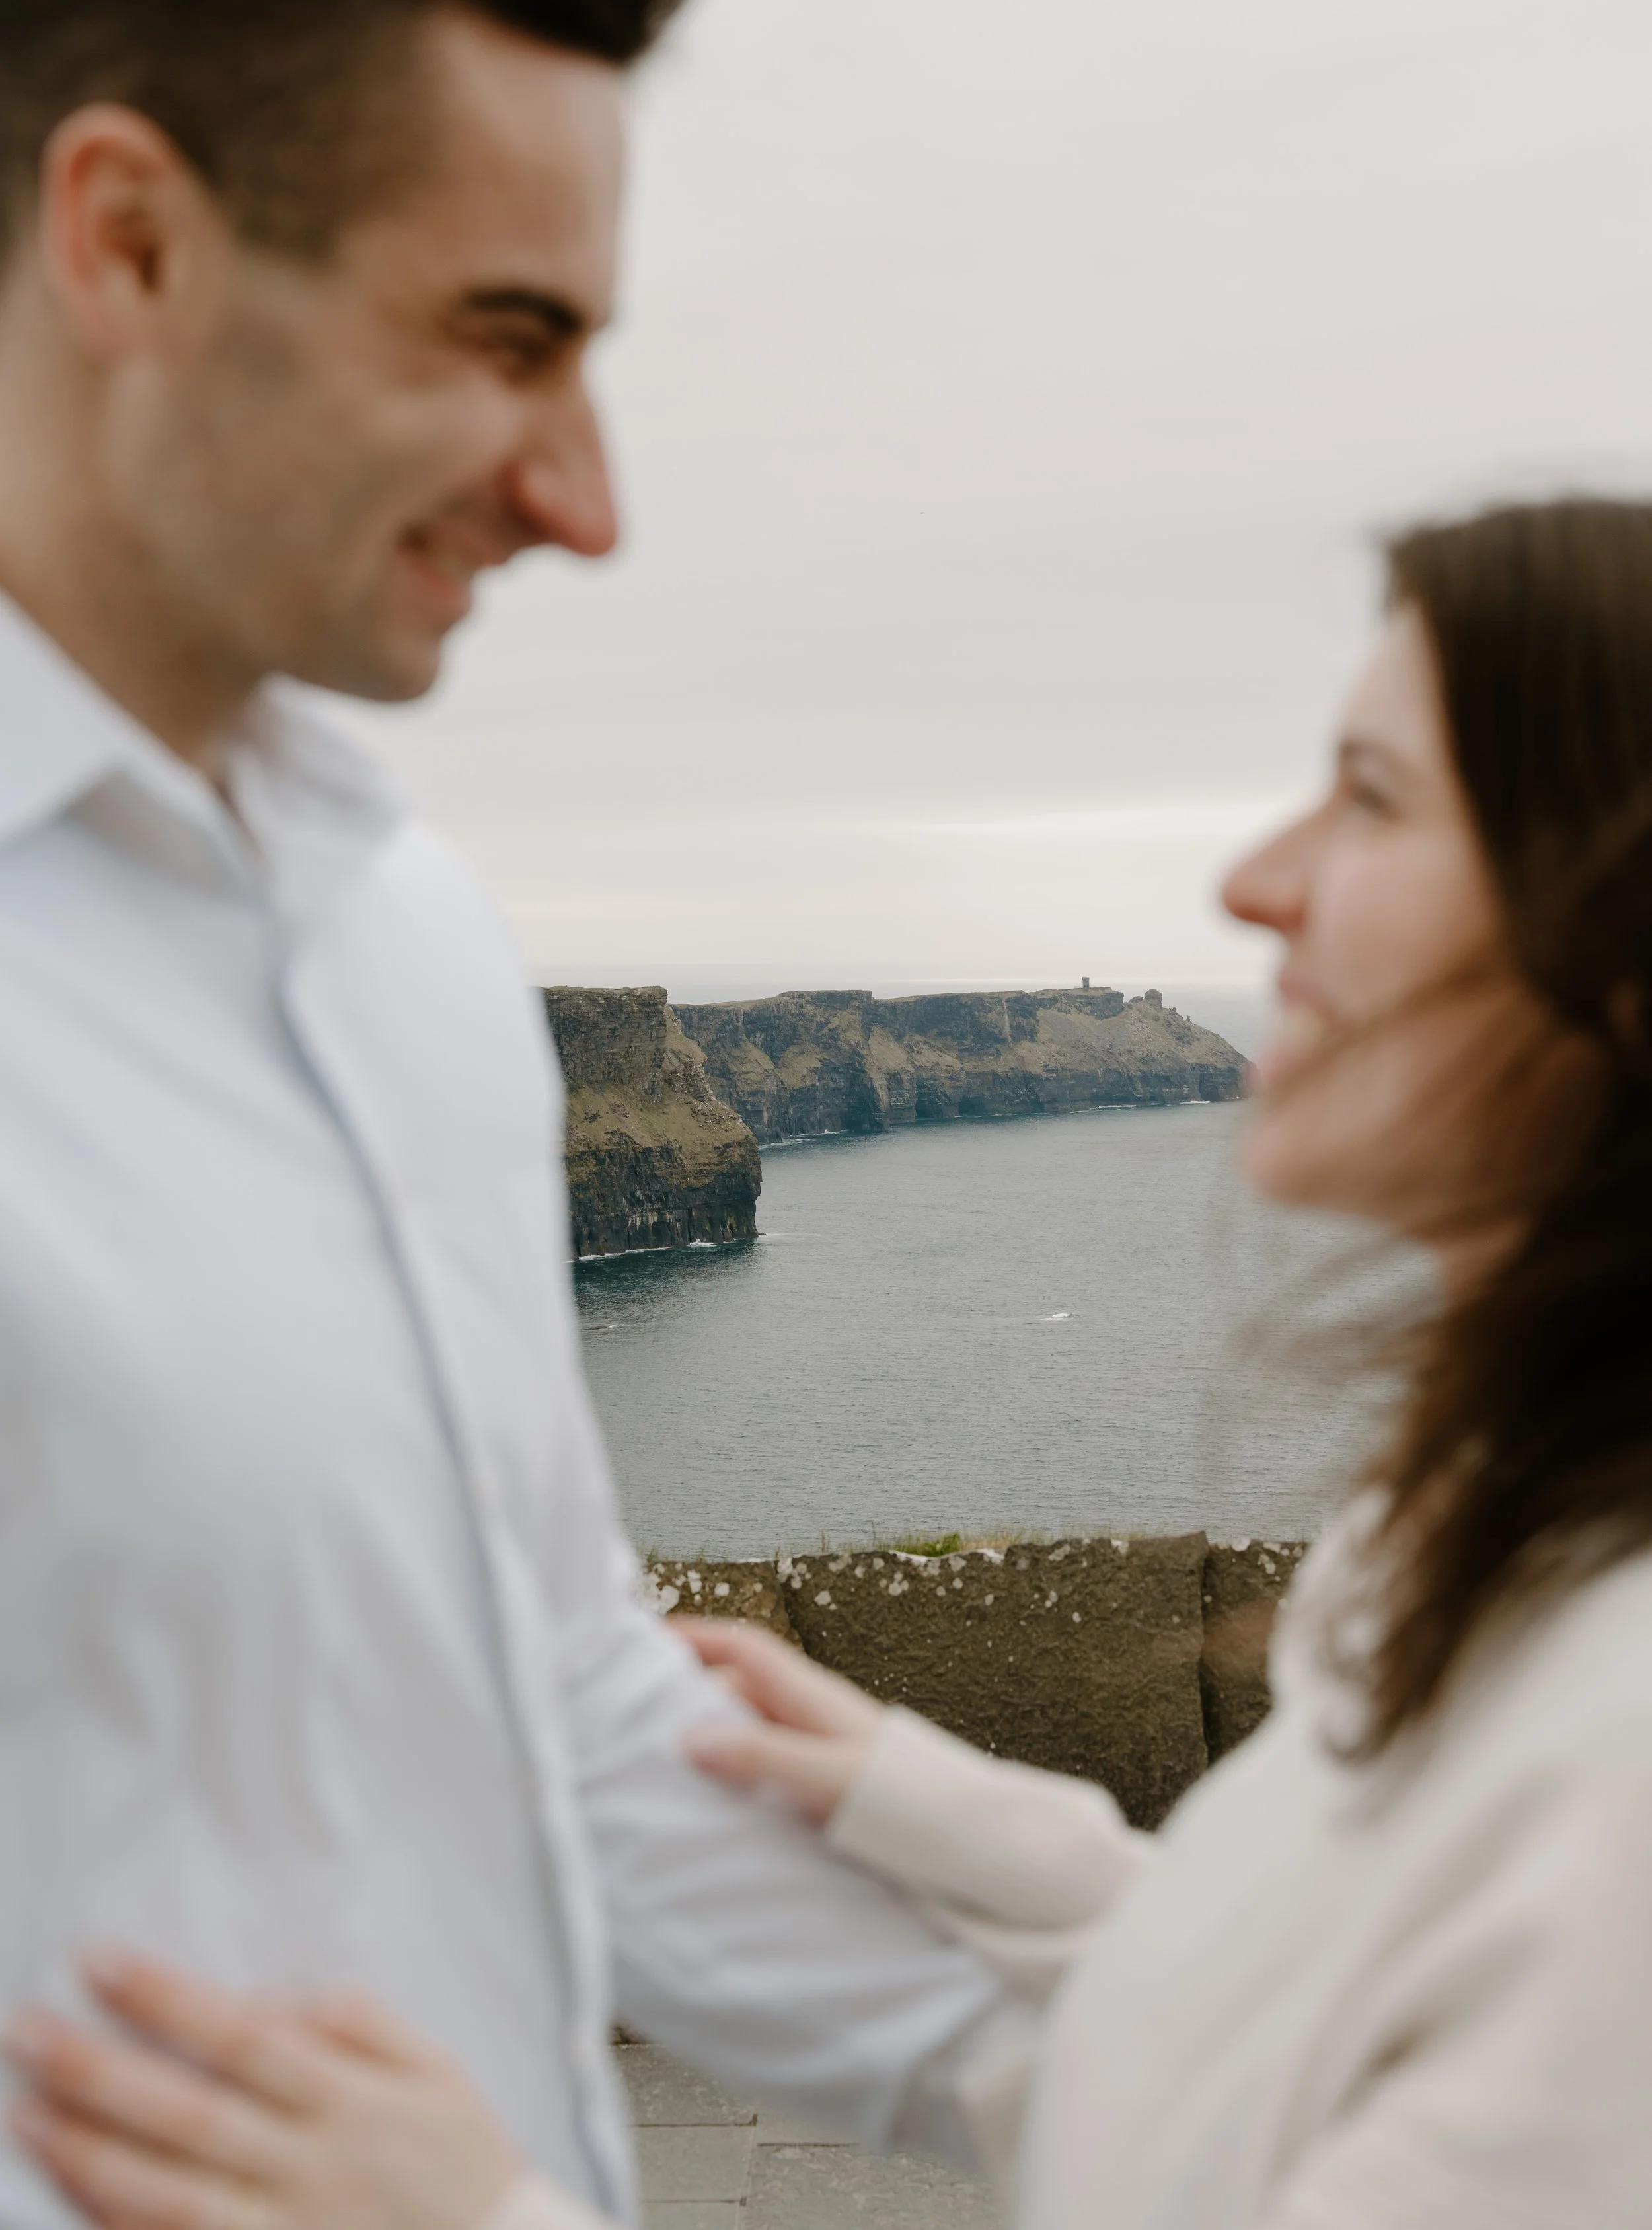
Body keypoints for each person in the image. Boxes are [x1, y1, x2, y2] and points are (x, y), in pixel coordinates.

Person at [20, 495, 1652, 2229]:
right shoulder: (1496, 1531)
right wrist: (981, 1832)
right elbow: (1315, 2072)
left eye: (1373, 796)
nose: (1253, 877)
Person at [0, 0, 1026, 2225]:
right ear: (125, 243)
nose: (586, 498)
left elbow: (549, 1711)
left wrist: (1246, 2077)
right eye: (502, 335)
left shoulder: (410, 937)